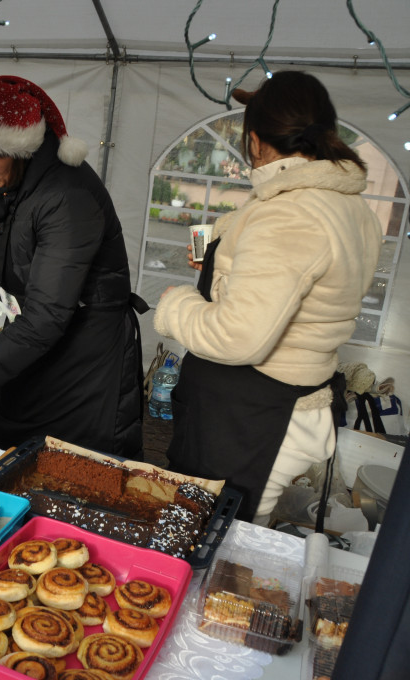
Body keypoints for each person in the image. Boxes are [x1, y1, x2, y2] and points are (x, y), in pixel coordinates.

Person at [153, 71, 382, 523]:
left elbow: (239, 337)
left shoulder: (291, 213)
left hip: (254, 419)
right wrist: (225, 276)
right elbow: (310, 291)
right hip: (278, 403)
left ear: (256, 143)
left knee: (213, 540)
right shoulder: (349, 206)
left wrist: (175, 305)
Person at [0, 75, 146, 459]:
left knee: (66, 465)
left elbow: (46, 318)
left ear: (22, 148)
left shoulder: (66, 196)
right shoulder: (15, 183)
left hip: (84, 358)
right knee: (6, 449)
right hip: (30, 344)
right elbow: (15, 257)